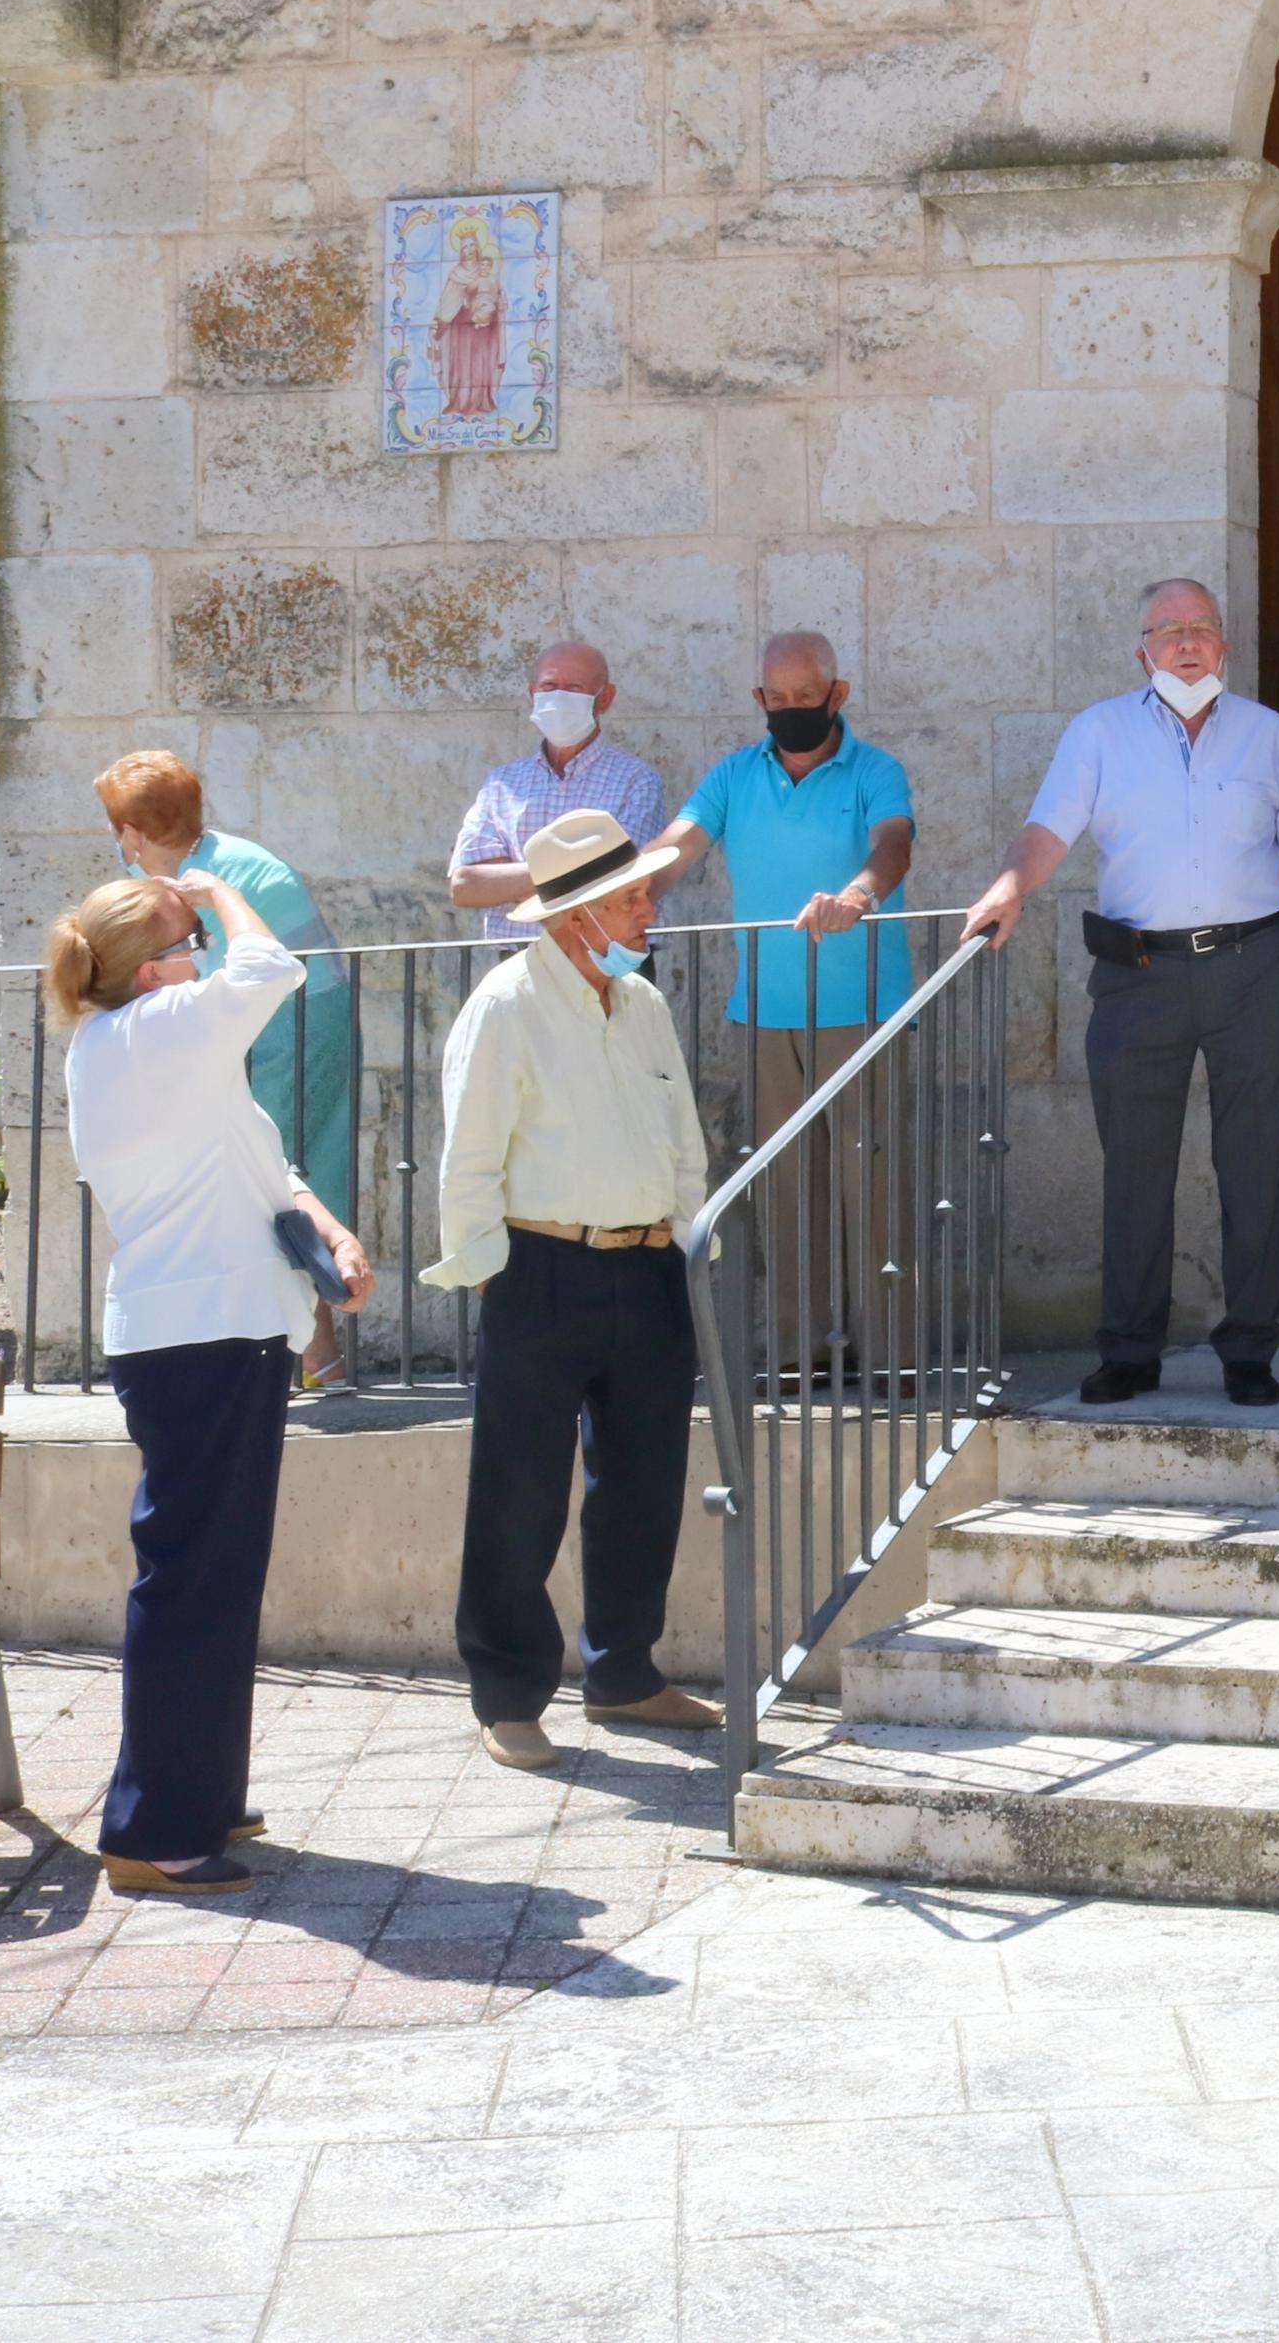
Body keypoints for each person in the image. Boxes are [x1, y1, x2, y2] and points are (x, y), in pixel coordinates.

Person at [49, 867, 372, 1893]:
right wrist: (218, 888)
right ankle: (151, 1829)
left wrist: (325, 1226)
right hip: (199, 1337)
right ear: (152, 968)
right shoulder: (154, 1030)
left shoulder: (151, 1043)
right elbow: (272, 962)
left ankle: (200, 1797)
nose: (202, 951)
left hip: (211, 1331)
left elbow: (259, 1167)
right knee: (191, 1579)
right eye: (186, 940)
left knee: (213, 1579)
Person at [964, 579, 1279, 1409]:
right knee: (1134, 1169)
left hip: (1253, 967)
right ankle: (1130, 1350)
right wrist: (1009, 887)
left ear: (1224, 645)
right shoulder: (1098, 733)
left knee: (1254, 1165)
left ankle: (1250, 1349)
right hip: (1140, 977)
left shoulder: (1267, 736)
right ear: (1143, 651)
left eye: (1202, 626)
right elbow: (1047, 828)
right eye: (1168, 631)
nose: (1187, 642)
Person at [422, 810, 719, 1770]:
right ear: (578, 913)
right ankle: (508, 1695)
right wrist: (485, 1274)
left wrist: (688, 1239)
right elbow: (468, 1155)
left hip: (647, 1267)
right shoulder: (505, 1005)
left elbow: (682, 1137)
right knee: (519, 1492)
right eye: (633, 894)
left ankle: (623, 1673)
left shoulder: (644, 1005)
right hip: (540, 1268)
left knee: (642, 1485)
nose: (650, 907)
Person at [652, 631, 916, 1321]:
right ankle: (802, 1356)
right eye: (778, 697)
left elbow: (894, 843)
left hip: (864, 1011)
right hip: (765, 1012)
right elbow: (677, 847)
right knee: (786, 1191)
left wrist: (856, 896)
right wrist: (609, 888)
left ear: (838, 694)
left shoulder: (874, 769)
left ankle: (891, 1358)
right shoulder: (732, 775)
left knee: (875, 1185)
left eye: (807, 695)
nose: (792, 706)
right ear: (758, 699)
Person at [100, 752, 363, 1388]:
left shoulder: (213, 876)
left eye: (115, 826)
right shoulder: (209, 863)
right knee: (281, 1179)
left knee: (280, 1179)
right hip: (287, 1026)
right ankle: (313, 1355)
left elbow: (218, 988)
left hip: (294, 1030)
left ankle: (312, 1356)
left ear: (133, 833)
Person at [448, 642, 666, 940]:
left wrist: (512, 881)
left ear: (605, 699)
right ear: (532, 693)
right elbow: (465, 886)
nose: (559, 698)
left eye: (574, 689)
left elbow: (622, 882)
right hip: (519, 964)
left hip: (608, 958)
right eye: (549, 686)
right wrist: (581, 873)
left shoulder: (636, 780)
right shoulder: (502, 784)